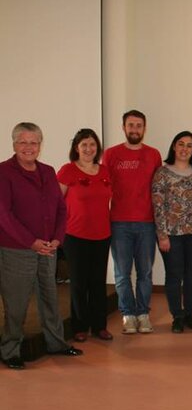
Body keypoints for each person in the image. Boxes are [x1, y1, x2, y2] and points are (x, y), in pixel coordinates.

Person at [0, 122, 83, 370]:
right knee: (16, 304)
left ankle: (56, 343)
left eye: (33, 142)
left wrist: (57, 239)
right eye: (23, 142)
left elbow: (60, 208)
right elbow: (4, 215)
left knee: (50, 299)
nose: (29, 147)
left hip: (48, 247)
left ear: (40, 145)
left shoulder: (47, 171)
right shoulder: (4, 172)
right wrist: (31, 242)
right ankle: (10, 350)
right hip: (16, 250)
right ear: (14, 144)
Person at [102, 110, 162, 334]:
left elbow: (158, 189)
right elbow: (104, 187)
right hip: (119, 223)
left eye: (138, 125)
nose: (134, 129)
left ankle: (143, 314)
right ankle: (128, 314)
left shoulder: (153, 154)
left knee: (145, 273)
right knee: (122, 273)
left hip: (147, 223)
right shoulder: (111, 154)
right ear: (124, 127)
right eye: (131, 125)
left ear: (144, 128)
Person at [57, 129, 113, 342]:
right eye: (84, 145)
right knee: (79, 283)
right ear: (76, 148)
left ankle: (100, 326)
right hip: (75, 235)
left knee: (98, 282)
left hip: (102, 234)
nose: (89, 149)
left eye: (92, 145)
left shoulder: (105, 171)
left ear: (97, 147)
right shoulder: (68, 171)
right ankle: (79, 327)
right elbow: (56, 203)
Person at [152, 131, 192, 333]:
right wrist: (162, 235)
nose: (185, 149)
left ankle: (189, 315)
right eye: (181, 144)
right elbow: (158, 205)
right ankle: (177, 316)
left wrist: (191, 212)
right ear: (174, 147)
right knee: (174, 275)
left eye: (189, 145)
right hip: (171, 235)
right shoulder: (162, 173)